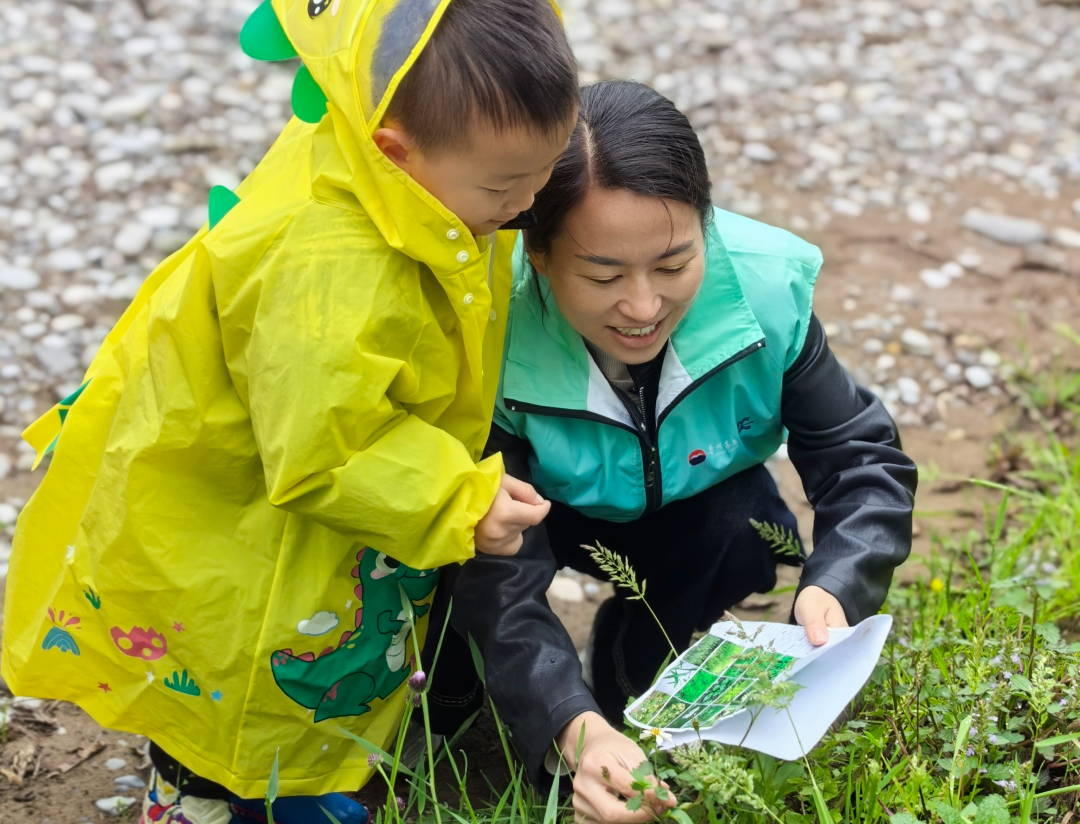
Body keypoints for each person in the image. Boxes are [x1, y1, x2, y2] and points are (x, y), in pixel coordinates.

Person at [1, 1, 574, 822]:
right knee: (237, 679)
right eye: (502, 186)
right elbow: (326, 451)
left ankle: (299, 783)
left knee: (300, 657)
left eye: (545, 170)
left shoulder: (393, 174)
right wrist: (455, 496)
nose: (527, 203)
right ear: (395, 152)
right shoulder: (334, 271)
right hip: (235, 516)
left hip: (279, 503)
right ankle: (194, 797)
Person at [425, 80, 918, 824]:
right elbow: (499, 573)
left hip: (685, 501)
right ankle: (455, 718)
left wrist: (838, 585)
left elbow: (859, 454)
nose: (643, 306)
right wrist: (567, 719)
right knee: (441, 569)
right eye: (602, 275)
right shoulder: (490, 324)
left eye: (672, 264)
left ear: (706, 227)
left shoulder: (765, 290)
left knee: (741, 524)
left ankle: (631, 701)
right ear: (538, 252)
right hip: (534, 514)